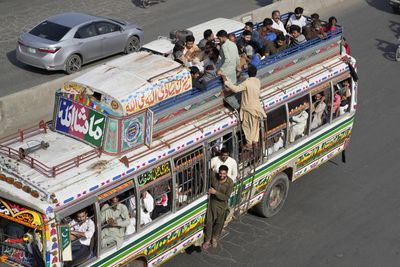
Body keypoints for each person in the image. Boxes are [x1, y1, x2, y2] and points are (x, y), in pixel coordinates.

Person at [222, 65, 266, 149]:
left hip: (248, 107)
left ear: (248, 73)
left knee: (246, 125)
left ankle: (249, 143)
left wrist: (226, 81)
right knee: (255, 125)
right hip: (257, 107)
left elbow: (235, 89)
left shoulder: (246, 83)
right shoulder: (257, 81)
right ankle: (255, 141)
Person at [202, 165, 233, 249]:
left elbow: (226, 197)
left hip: (222, 206)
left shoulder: (230, 182)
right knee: (209, 222)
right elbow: (208, 169)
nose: (221, 175)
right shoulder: (214, 176)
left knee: (219, 224)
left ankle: (214, 238)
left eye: (224, 173)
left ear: (227, 173)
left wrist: (215, 192)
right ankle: (207, 240)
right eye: (220, 173)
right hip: (212, 204)